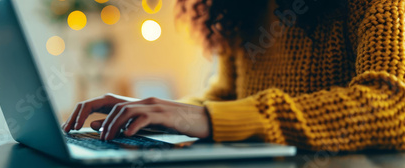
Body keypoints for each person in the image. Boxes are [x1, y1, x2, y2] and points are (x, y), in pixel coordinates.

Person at [63, 0, 405, 151]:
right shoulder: (241, 7)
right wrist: (159, 113)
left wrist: (205, 117)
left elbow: (393, 103)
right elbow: (226, 96)